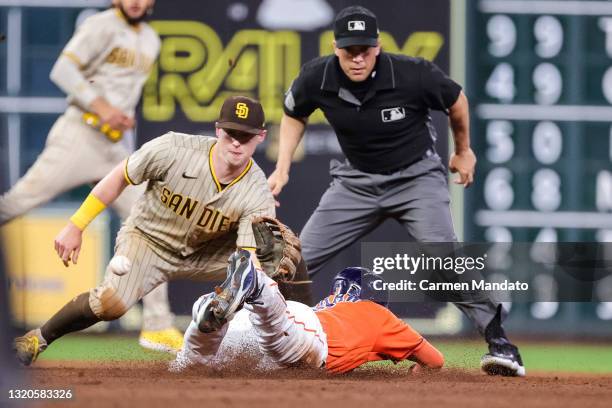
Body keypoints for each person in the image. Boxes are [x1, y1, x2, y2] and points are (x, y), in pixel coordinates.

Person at [267, 5, 524, 376]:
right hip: (356, 182)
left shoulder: (411, 73)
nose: (357, 58)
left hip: (416, 178)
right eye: (348, 50)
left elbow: (456, 101)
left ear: (378, 46)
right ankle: (271, 341)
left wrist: (464, 151)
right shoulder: (317, 77)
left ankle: (501, 342)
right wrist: (282, 167)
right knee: (296, 261)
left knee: (443, 258)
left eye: (365, 50)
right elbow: (294, 114)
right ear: (335, 47)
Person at [12, 95, 277, 366]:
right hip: (148, 240)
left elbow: (247, 258)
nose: (235, 141)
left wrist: (247, 287)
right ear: (218, 130)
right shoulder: (174, 148)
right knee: (110, 304)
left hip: (206, 254)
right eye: (231, 132)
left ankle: (297, 345)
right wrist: (76, 225)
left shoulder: (257, 192)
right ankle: (37, 339)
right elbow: (119, 177)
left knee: (274, 262)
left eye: (245, 136)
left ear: (260, 137)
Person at [0, 0, 182, 352]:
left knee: (151, 221)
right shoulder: (100, 24)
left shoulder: (150, 40)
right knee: (18, 202)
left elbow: (124, 99)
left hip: (114, 149)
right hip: (79, 137)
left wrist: (125, 134)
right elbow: (63, 71)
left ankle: (157, 323)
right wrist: (103, 108)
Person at [171, 250, 444, 374]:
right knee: (275, 330)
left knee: (195, 363)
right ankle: (256, 283)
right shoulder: (378, 315)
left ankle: (208, 308)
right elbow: (435, 360)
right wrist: (416, 372)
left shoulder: (331, 307)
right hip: (308, 334)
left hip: (284, 327)